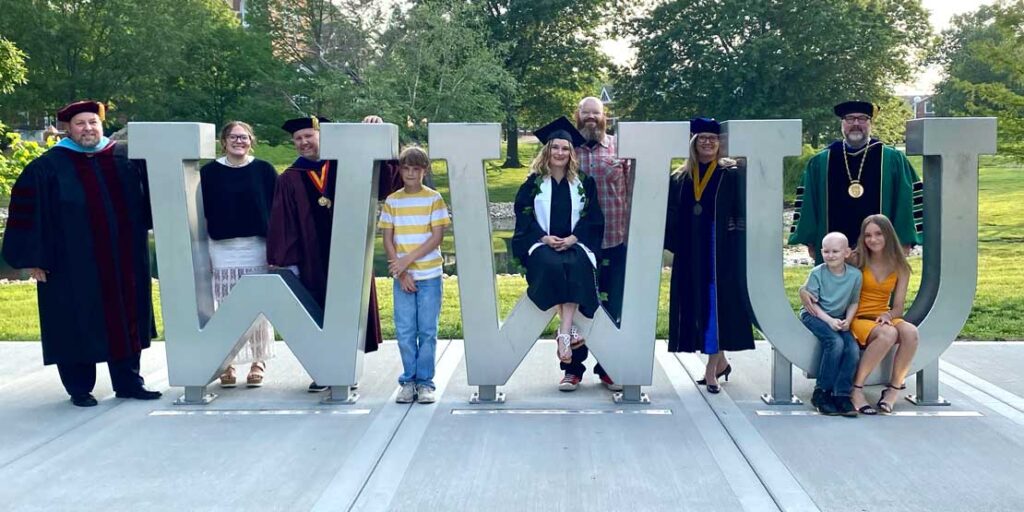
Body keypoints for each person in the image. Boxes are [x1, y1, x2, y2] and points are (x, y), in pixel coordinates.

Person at [1, 100, 161, 407]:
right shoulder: (48, 166)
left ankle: (129, 382)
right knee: (74, 319)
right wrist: (35, 258)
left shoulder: (124, 157)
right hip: (69, 263)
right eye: (80, 124)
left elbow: (152, 200)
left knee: (126, 315)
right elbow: (29, 215)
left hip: (124, 258)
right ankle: (79, 388)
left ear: (102, 125)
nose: (88, 128)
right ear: (67, 129)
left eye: (93, 122)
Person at [266, 115, 387, 392]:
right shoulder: (289, 178)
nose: (303, 142)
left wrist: (375, 131)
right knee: (318, 310)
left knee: (349, 307)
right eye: (298, 139)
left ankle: (345, 368)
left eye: (309, 136)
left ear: (323, 136)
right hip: (312, 258)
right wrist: (287, 260)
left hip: (350, 253)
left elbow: (385, 183)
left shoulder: (348, 166)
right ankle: (323, 368)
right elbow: (283, 223)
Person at [511, 117, 605, 392]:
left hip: (577, 244)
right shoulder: (532, 184)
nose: (560, 153)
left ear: (572, 153)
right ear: (547, 151)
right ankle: (568, 332)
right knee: (552, 266)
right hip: (542, 245)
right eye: (556, 148)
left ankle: (564, 332)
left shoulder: (584, 183)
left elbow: (593, 218)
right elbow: (523, 216)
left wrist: (574, 238)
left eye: (566, 148)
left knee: (575, 266)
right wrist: (543, 237)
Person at [665, 117, 754, 393]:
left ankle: (710, 371)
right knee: (696, 307)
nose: (707, 143)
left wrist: (734, 242)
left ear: (720, 144)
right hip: (691, 253)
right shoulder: (680, 178)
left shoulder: (730, 174)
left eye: (713, 139)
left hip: (720, 253)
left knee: (717, 306)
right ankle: (722, 361)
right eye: (702, 138)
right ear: (693, 142)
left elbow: (741, 213)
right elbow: (670, 216)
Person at [789, 101, 923, 263]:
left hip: (882, 250)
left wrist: (904, 239)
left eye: (862, 118)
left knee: (878, 288)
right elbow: (808, 202)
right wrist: (810, 239)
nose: (856, 124)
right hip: (833, 249)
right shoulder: (821, 161)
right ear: (842, 123)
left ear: (870, 123)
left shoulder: (891, 159)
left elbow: (906, 199)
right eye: (850, 119)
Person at [199, 121, 277, 388]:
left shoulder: (264, 170)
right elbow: (201, 214)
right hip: (221, 248)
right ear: (224, 141)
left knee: (258, 307)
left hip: (256, 247)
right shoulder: (208, 173)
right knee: (224, 307)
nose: (239, 141)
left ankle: (258, 361)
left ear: (251, 140)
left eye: (244, 137)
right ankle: (226, 363)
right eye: (233, 137)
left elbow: (276, 212)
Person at [379, 146, 450, 404]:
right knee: (406, 330)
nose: (410, 173)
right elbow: (387, 238)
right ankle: (408, 381)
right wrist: (400, 271)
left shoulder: (434, 199)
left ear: (424, 171)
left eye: (416, 169)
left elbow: (437, 236)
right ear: (400, 169)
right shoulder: (393, 201)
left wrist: (407, 260)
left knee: (427, 330)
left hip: (429, 275)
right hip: (403, 277)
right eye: (406, 168)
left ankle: (425, 382)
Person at [572, 95, 632, 391]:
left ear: (604, 116)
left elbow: (632, 191)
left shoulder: (621, 148)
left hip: (614, 239)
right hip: (577, 243)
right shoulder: (565, 149)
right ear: (578, 116)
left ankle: (608, 367)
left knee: (612, 304)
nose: (591, 117)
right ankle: (572, 367)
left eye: (596, 113)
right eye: (587, 113)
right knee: (576, 305)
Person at [846, 214, 919, 414]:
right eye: (868, 235)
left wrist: (888, 316)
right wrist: (805, 290)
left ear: (888, 235)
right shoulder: (855, 258)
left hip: (884, 316)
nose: (873, 239)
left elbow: (898, 307)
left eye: (878, 234)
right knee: (889, 334)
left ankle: (893, 389)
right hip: (859, 316)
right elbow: (827, 271)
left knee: (911, 332)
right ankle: (856, 389)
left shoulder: (900, 265)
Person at [798, 232, 862, 417]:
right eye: (826, 251)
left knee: (852, 349)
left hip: (840, 319)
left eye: (835, 251)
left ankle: (841, 394)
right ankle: (822, 392)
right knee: (835, 343)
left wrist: (848, 321)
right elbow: (812, 305)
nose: (830, 255)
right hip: (815, 316)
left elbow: (853, 302)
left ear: (847, 253)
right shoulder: (817, 273)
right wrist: (829, 321)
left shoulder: (855, 275)